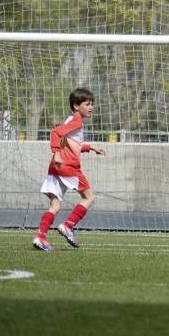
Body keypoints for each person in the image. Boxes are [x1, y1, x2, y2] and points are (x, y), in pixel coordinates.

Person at [32, 88, 105, 251]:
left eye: (92, 104)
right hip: (68, 166)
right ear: (76, 105)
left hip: (56, 167)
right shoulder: (77, 121)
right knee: (89, 198)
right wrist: (57, 153)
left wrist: (91, 147)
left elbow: (71, 143)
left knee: (55, 205)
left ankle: (40, 236)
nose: (91, 107)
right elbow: (55, 134)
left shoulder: (70, 120)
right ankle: (68, 225)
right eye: (87, 104)